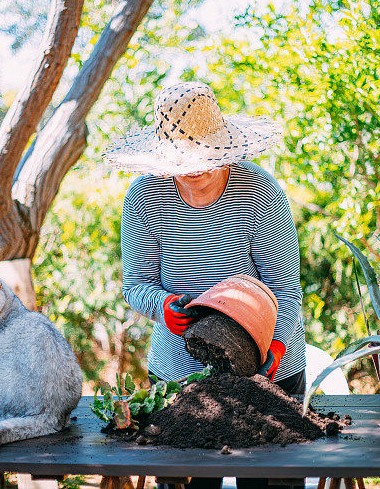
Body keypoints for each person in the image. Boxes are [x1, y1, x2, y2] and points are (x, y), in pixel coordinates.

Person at [104, 81, 306, 489]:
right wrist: (163, 307)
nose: (193, 168)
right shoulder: (144, 197)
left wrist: (274, 347)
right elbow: (136, 285)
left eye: (203, 154)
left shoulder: (260, 191)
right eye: (181, 158)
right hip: (180, 371)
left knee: (270, 483)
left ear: (224, 146)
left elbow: (283, 286)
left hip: (269, 364)